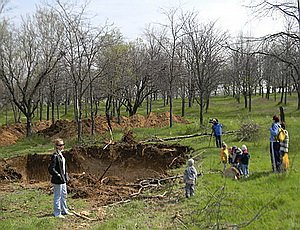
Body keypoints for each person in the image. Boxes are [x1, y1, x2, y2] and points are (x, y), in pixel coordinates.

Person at [48, 138, 73, 218]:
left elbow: (64, 167)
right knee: (57, 196)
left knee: (64, 195)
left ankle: (64, 210)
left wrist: (66, 176)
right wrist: (58, 175)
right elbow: (51, 168)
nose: (62, 146)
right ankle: (57, 213)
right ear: (56, 146)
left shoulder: (61, 155)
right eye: (60, 145)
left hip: (63, 179)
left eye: (63, 144)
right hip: (58, 180)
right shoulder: (55, 156)